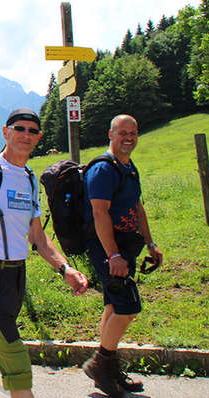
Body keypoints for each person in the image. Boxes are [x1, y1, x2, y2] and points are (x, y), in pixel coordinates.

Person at [0, 108, 88, 398]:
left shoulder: (29, 179)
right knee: (15, 358)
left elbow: (37, 236)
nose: (25, 135)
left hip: (16, 275)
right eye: (19, 128)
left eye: (32, 131)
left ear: (39, 137)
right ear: (5, 132)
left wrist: (66, 269)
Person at [81, 115, 163, 397]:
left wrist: (151, 244)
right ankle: (101, 365)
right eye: (123, 133)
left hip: (126, 247)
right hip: (107, 249)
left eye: (134, 132)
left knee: (114, 307)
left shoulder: (128, 167)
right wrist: (113, 255)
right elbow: (100, 213)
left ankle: (108, 370)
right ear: (111, 134)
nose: (129, 137)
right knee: (128, 307)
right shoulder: (103, 170)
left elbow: (137, 208)